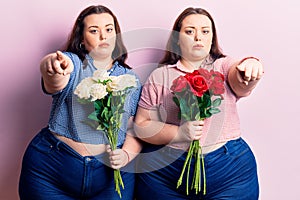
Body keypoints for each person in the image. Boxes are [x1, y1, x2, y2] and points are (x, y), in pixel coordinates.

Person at [133, 7, 263, 200]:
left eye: (205, 31)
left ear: (212, 38)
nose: (198, 37)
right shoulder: (161, 75)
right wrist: (179, 133)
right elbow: (141, 125)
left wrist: (251, 66)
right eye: (189, 31)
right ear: (177, 39)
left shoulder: (222, 66)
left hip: (228, 170)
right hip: (168, 170)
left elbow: (240, 79)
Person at [19, 5, 142, 200]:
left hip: (110, 178)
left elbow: (135, 130)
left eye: (109, 30)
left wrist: (126, 154)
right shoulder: (73, 64)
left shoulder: (131, 79)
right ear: (83, 40)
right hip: (50, 170)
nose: (103, 36)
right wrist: (52, 66)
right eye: (94, 31)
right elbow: (54, 77)